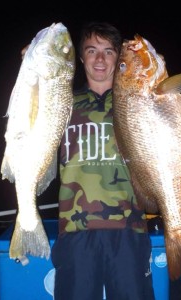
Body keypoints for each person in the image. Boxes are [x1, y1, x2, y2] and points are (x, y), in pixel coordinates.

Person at [50, 22, 156, 300]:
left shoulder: (137, 101)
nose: (99, 59)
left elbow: (180, 135)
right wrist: (32, 72)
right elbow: (24, 124)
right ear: (81, 57)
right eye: (92, 50)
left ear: (118, 59)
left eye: (108, 51)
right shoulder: (61, 103)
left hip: (130, 229)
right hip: (75, 230)